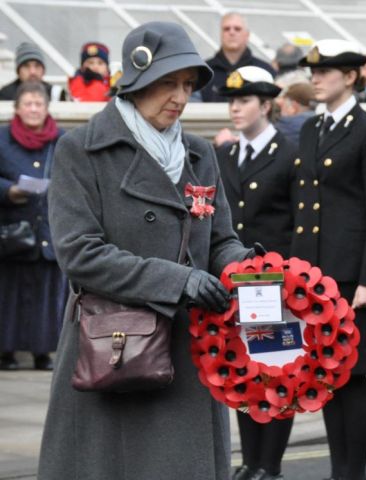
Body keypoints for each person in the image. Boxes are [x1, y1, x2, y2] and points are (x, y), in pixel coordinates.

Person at [37, 22, 254, 480]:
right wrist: (178, 280)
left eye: (188, 85)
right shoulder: (82, 149)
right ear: (135, 82)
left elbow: (220, 238)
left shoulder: (199, 153)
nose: (180, 96)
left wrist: (245, 270)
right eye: (168, 83)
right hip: (112, 349)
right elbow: (79, 254)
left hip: (188, 352)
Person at [292, 39, 366, 480]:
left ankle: (354, 472)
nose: (315, 77)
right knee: (326, 373)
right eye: (312, 71)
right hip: (316, 276)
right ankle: (340, 470)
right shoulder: (312, 130)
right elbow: (305, 206)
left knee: (351, 374)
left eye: (325, 70)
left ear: (351, 76)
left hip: (353, 278)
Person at [216, 66, 298, 480]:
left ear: (266, 105)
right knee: (243, 371)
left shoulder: (289, 153)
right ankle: (250, 461)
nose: (235, 107)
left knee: (279, 372)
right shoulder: (225, 154)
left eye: (244, 100)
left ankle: (272, 463)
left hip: (277, 285)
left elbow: (299, 219)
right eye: (232, 100)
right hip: (238, 283)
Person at [0, 82, 65, 371]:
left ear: (47, 108)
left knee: (46, 297)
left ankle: (43, 352)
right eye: (28, 103)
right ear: (17, 108)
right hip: (13, 232)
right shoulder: (2, 139)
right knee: (9, 295)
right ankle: (6, 351)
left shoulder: (61, 140)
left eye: (39, 103)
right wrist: (8, 191)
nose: (34, 109)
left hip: (48, 231)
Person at [201, 12, 275, 102]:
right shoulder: (203, 71)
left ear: (247, 35)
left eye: (237, 29)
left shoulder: (265, 71)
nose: (231, 32)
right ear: (221, 34)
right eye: (226, 29)